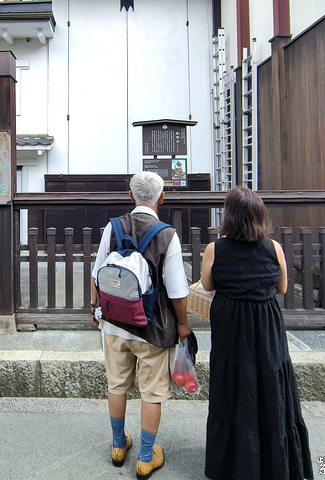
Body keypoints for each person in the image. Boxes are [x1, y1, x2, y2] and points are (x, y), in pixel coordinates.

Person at [200, 186, 313, 480]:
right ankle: (273, 459)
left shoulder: (215, 249)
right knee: (269, 381)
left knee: (233, 383)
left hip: (231, 322)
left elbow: (208, 285)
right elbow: (282, 288)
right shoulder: (273, 247)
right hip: (265, 320)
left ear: (229, 217)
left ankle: (234, 460)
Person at [91, 171, 192, 479]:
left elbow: (97, 274)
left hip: (114, 323)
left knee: (117, 385)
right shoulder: (167, 235)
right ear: (162, 198)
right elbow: (177, 291)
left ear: (130, 195)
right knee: (152, 392)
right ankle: (146, 458)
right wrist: (183, 325)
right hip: (152, 328)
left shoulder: (113, 226)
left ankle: (118, 445)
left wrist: (96, 309)